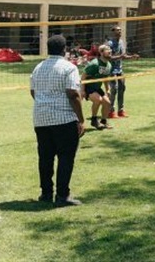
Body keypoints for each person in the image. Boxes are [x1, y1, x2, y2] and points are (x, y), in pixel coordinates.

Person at [30, 34, 84, 206]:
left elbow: (33, 92)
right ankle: (62, 195)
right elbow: (73, 94)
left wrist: (45, 104)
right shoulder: (69, 68)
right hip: (63, 119)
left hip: (41, 119)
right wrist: (81, 119)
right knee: (66, 157)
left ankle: (46, 193)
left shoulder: (38, 68)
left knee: (45, 157)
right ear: (64, 49)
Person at [106, 25, 137, 118]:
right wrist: (120, 57)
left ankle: (121, 110)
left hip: (120, 69)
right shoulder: (109, 43)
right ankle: (111, 111)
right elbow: (108, 57)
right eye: (117, 30)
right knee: (114, 89)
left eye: (120, 30)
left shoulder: (121, 42)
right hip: (111, 70)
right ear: (113, 32)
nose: (119, 32)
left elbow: (124, 55)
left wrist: (131, 57)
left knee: (122, 88)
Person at [81, 44, 113, 130]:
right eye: (107, 50)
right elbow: (83, 76)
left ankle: (103, 121)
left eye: (110, 49)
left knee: (107, 103)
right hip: (88, 86)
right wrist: (82, 90)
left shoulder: (109, 65)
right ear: (101, 52)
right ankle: (94, 120)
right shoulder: (94, 64)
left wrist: (108, 89)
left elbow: (106, 78)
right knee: (98, 100)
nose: (110, 51)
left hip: (97, 87)